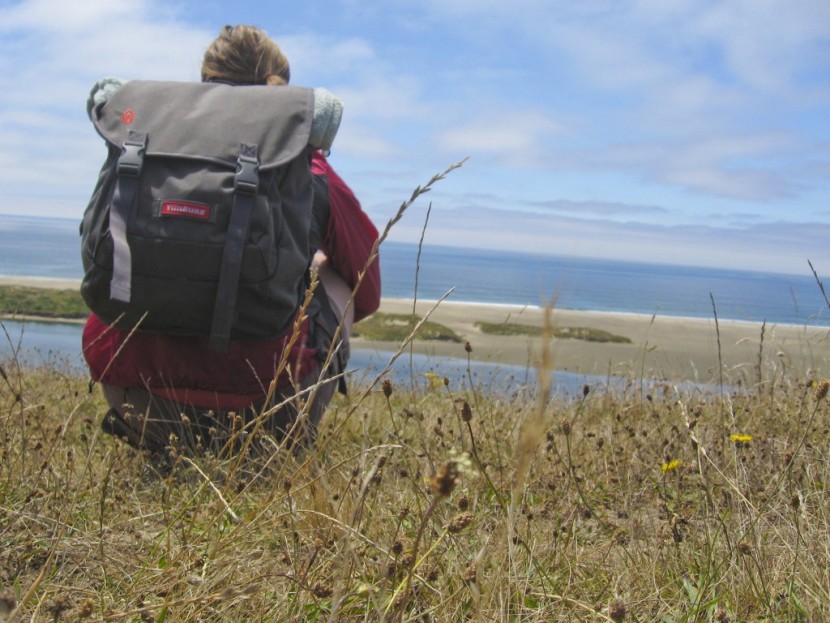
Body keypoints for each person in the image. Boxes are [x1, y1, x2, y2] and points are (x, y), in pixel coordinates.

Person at [82, 25, 381, 455]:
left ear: (205, 85)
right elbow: (366, 289)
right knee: (331, 272)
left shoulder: (140, 149)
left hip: (136, 401)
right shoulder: (310, 172)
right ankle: (281, 438)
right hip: (266, 413)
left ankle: (162, 438)